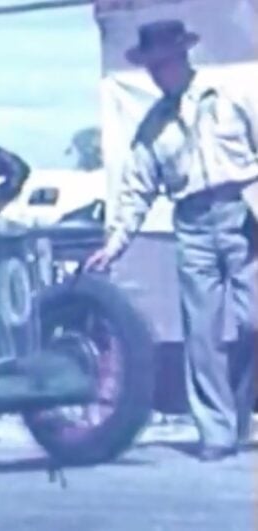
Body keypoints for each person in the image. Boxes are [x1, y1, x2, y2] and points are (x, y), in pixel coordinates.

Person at [85, 20, 258, 461]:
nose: (159, 73)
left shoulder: (230, 98)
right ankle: (217, 433)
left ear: (183, 57)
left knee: (252, 320)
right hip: (194, 225)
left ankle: (238, 410)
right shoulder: (152, 127)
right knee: (202, 334)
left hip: (243, 214)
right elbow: (135, 192)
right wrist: (114, 245)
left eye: (164, 63)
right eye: (152, 67)